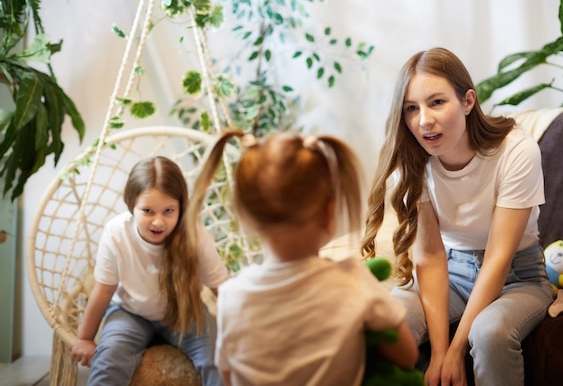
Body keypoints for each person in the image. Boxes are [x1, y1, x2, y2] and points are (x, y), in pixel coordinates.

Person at [360, 47, 555, 386]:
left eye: (436, 102)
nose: (424, 120)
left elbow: (498, 257)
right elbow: (431, 256)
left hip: (517, 276)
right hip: (449, 272)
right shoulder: (412, 163)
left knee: (490, 333)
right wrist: (439, 352)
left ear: (467, 101)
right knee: (383, 324)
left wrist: (455, 353)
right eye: (411, 109)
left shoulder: (516, 150)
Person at [185, 129, 418, 386]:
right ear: (330, 212)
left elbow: (229, 377)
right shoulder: (353, 279)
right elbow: (407, 356)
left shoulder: (231, 297)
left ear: (246, 219)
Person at [71, 156, 229, 386]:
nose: (158, 222)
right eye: (147, 211)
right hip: (130, 313)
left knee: (219, 359)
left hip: (184, 313)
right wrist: (84, 338)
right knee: (108, 358)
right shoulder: (116, 233)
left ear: (181, 208)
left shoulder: (194, 234)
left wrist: (248, 329)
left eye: (168, 211)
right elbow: (104, 291)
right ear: (131, 206)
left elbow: (221, 289)